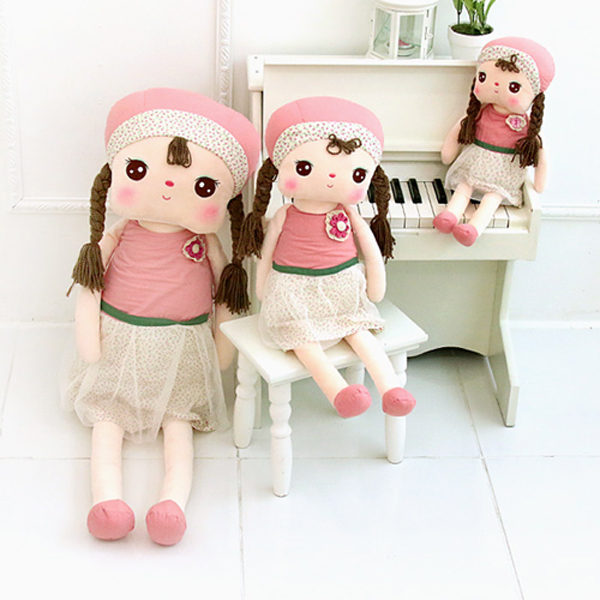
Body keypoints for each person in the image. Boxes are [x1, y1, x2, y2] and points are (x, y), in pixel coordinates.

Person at [62, 88, 259, 545]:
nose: (169, 188)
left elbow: (225, 292)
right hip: (120, 343)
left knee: (178, 426)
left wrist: (222, 345)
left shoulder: (206, 242)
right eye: (139, 171)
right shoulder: (119, 233)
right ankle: (106, 501)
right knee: (108, 421)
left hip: (182, 348)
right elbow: (91, 286)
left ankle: (171, 504)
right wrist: (88, 338)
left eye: (203, 187)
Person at [237, 96, 416, 419]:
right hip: (293, 294)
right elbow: (267, 252)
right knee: (303, 341)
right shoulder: (284, 215)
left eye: (356, 174)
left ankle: (390, 388)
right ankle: (338, 392)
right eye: (305, 168)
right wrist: (262, 288)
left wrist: (375, 287)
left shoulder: (349, 213)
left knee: (358, 331)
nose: (331, 179)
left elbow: (371, 251)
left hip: (341, 288)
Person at [435, 37, 555, 246]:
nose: (496, 86)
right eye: (483, 77)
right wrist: (448, 152)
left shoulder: (527, 127)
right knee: (464, 188)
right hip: (474, 164)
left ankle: (473, 228)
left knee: (492, 199)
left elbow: (541, 154)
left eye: (514, 87)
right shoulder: (479, 113)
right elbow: (459, 130)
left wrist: (539, 183)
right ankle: (450, 215)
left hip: (503, 174)